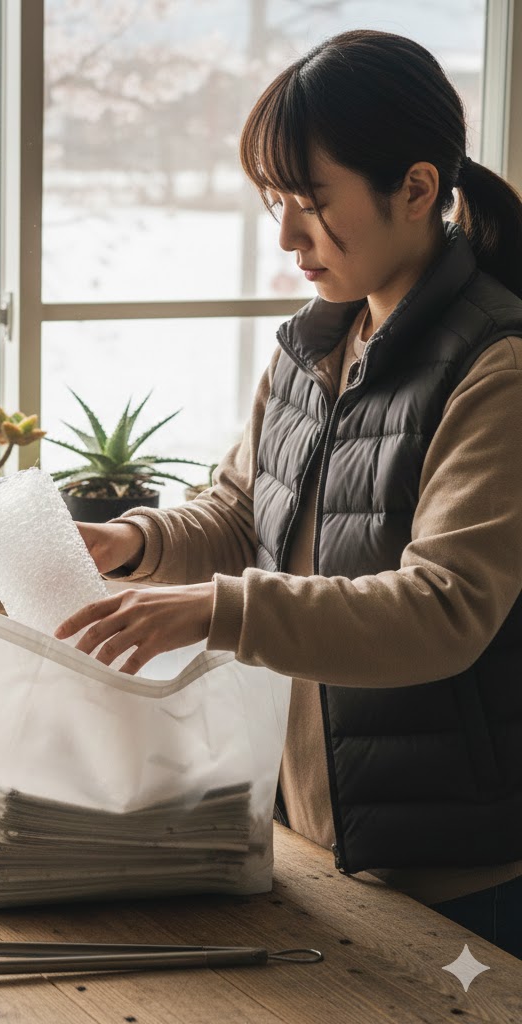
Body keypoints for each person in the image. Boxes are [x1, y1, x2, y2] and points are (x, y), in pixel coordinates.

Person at [54, 29, 522, 959]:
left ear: (418, 189)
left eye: (310, 204)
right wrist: (135, 542)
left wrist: (216, 611)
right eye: (274, 202)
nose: (285, 236)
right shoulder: (313, 349)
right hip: (310, 838)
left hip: (460, 870)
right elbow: (236, 511)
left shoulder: (496, 368)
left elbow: (446, 610)